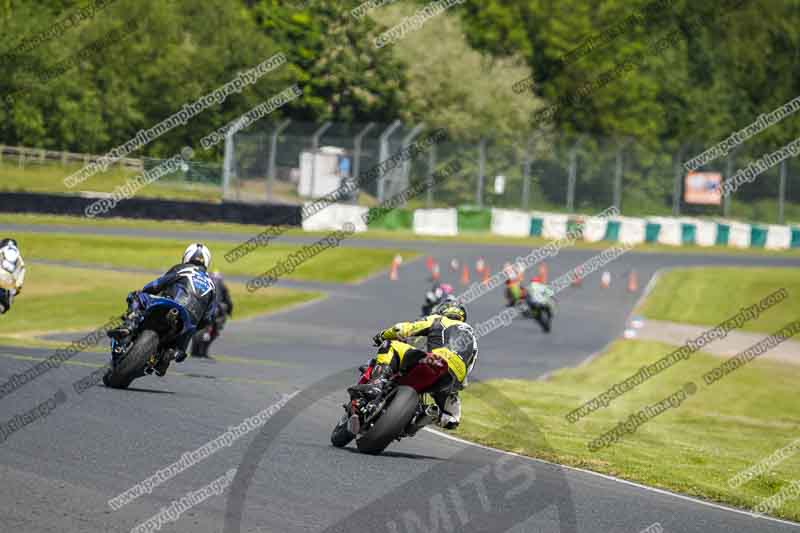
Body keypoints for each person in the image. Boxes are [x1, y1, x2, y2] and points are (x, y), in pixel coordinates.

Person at [350, 301, 478, 429]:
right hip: (451, 379)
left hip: (434, 360)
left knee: (391, 345)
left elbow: (402, 329)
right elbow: (468, 369)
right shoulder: (472, 338)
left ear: (444, 310)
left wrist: (382, 336)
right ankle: (426, 415)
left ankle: (377, 384)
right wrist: (454, 387)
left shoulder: (439, 319)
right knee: (452, 419)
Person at [108, 243, 217, 376]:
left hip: (170, 303)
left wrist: (146, 291)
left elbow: (156, 285)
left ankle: (129, 325)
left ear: (187, 256)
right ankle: (169, 355)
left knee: (136, 296)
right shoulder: (212, 285)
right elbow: (209, 318)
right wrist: (195, 325)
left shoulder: (183, 269)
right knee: (181, 348)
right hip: (188, 322)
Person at [192, 270, 234, 359]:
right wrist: (229, 312)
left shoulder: (203, 284)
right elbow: (228, 301)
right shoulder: (222, 286)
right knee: (214, 330)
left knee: (200, 328)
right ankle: (203, 351)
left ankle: (195, 351)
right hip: (213, 311)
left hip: (204, 309)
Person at [0, 238, 25, 315]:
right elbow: (18, 286)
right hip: (6, 293)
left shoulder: (2, 251)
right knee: (4, 307)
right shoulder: (20, 261)